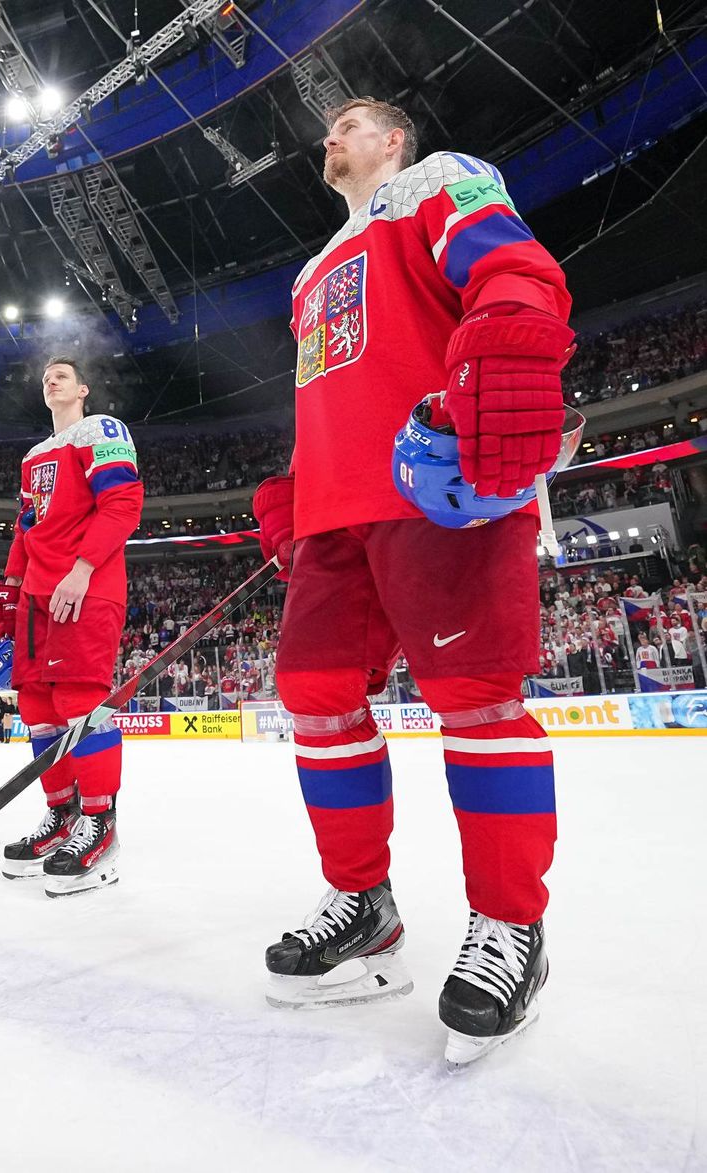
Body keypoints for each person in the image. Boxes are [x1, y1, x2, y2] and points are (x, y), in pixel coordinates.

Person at [250, 97, 572, 1065]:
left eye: (349, 123)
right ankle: (364, 904)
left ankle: (510, 926)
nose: (330, 136)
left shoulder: (438, 181)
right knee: (315, 697)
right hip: (334, 513)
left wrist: (505, 345)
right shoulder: (309, 273)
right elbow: (327, 393)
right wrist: (295, 493)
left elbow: (515, 272)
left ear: (393, 140)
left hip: (439, 488)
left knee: (476, 697)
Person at [0, 356, 143, 897]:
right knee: (36, 708)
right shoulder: (33, 457)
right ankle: (62, 815)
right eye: (45, 377)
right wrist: (10, 586)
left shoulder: (102, 430)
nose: (50, 380)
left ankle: (100, 825)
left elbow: (122, 504)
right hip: (36, 593)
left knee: (79, 699)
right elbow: (26, 525)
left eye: (62, 375)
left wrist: (82, 569)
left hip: (85, 585)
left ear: (83, 389)